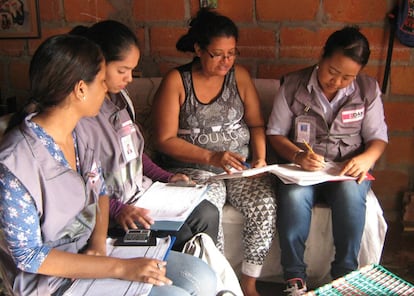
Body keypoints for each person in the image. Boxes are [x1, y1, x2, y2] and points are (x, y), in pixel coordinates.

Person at [0, 34, 217, 296]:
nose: (107, 90)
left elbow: (100, 191)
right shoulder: (14, 164)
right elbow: (29, 256)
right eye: (102, 82)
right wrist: (117, 268)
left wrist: (99, 246)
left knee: (201, 276)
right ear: (81, 89)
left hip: (95, 254)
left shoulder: (79, 137)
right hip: (51, 281)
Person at [152, 8, 277, 296]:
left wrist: (260, 159)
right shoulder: (176, 81)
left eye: (232, 53)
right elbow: (164, 139)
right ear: (198, 49)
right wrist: (211, 157)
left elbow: (257, 124)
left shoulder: (240, 77)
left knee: (265, 204)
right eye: (218, 54)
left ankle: (249, 284)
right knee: (209, 210)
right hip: (197, 168)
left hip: (240, 165)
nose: (226, 61)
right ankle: (221, 284)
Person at [70, 20, 219, 252]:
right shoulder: (81, 118)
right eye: (122, 70)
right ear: (97, 65)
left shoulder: (120, 100)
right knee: (183, 235)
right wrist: (118, 210)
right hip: (116, 212)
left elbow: (134, 155)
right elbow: (82, 186)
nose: (129, 78)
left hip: (143, 195)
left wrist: (166, 177)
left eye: (132, 70)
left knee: (207, 212)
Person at [266, 26, 388, 295]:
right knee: (294, 197)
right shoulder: (293, 85)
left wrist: (366, 159)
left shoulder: (367, 90)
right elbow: (275, 134)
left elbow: (378, 138)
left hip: (344, 169)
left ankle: (344, 276)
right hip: (303, 169)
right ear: (321, 56)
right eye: (333, 71)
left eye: (348, 77)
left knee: (350, 193)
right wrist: (298, 155)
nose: (337, 82)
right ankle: (294, 278)